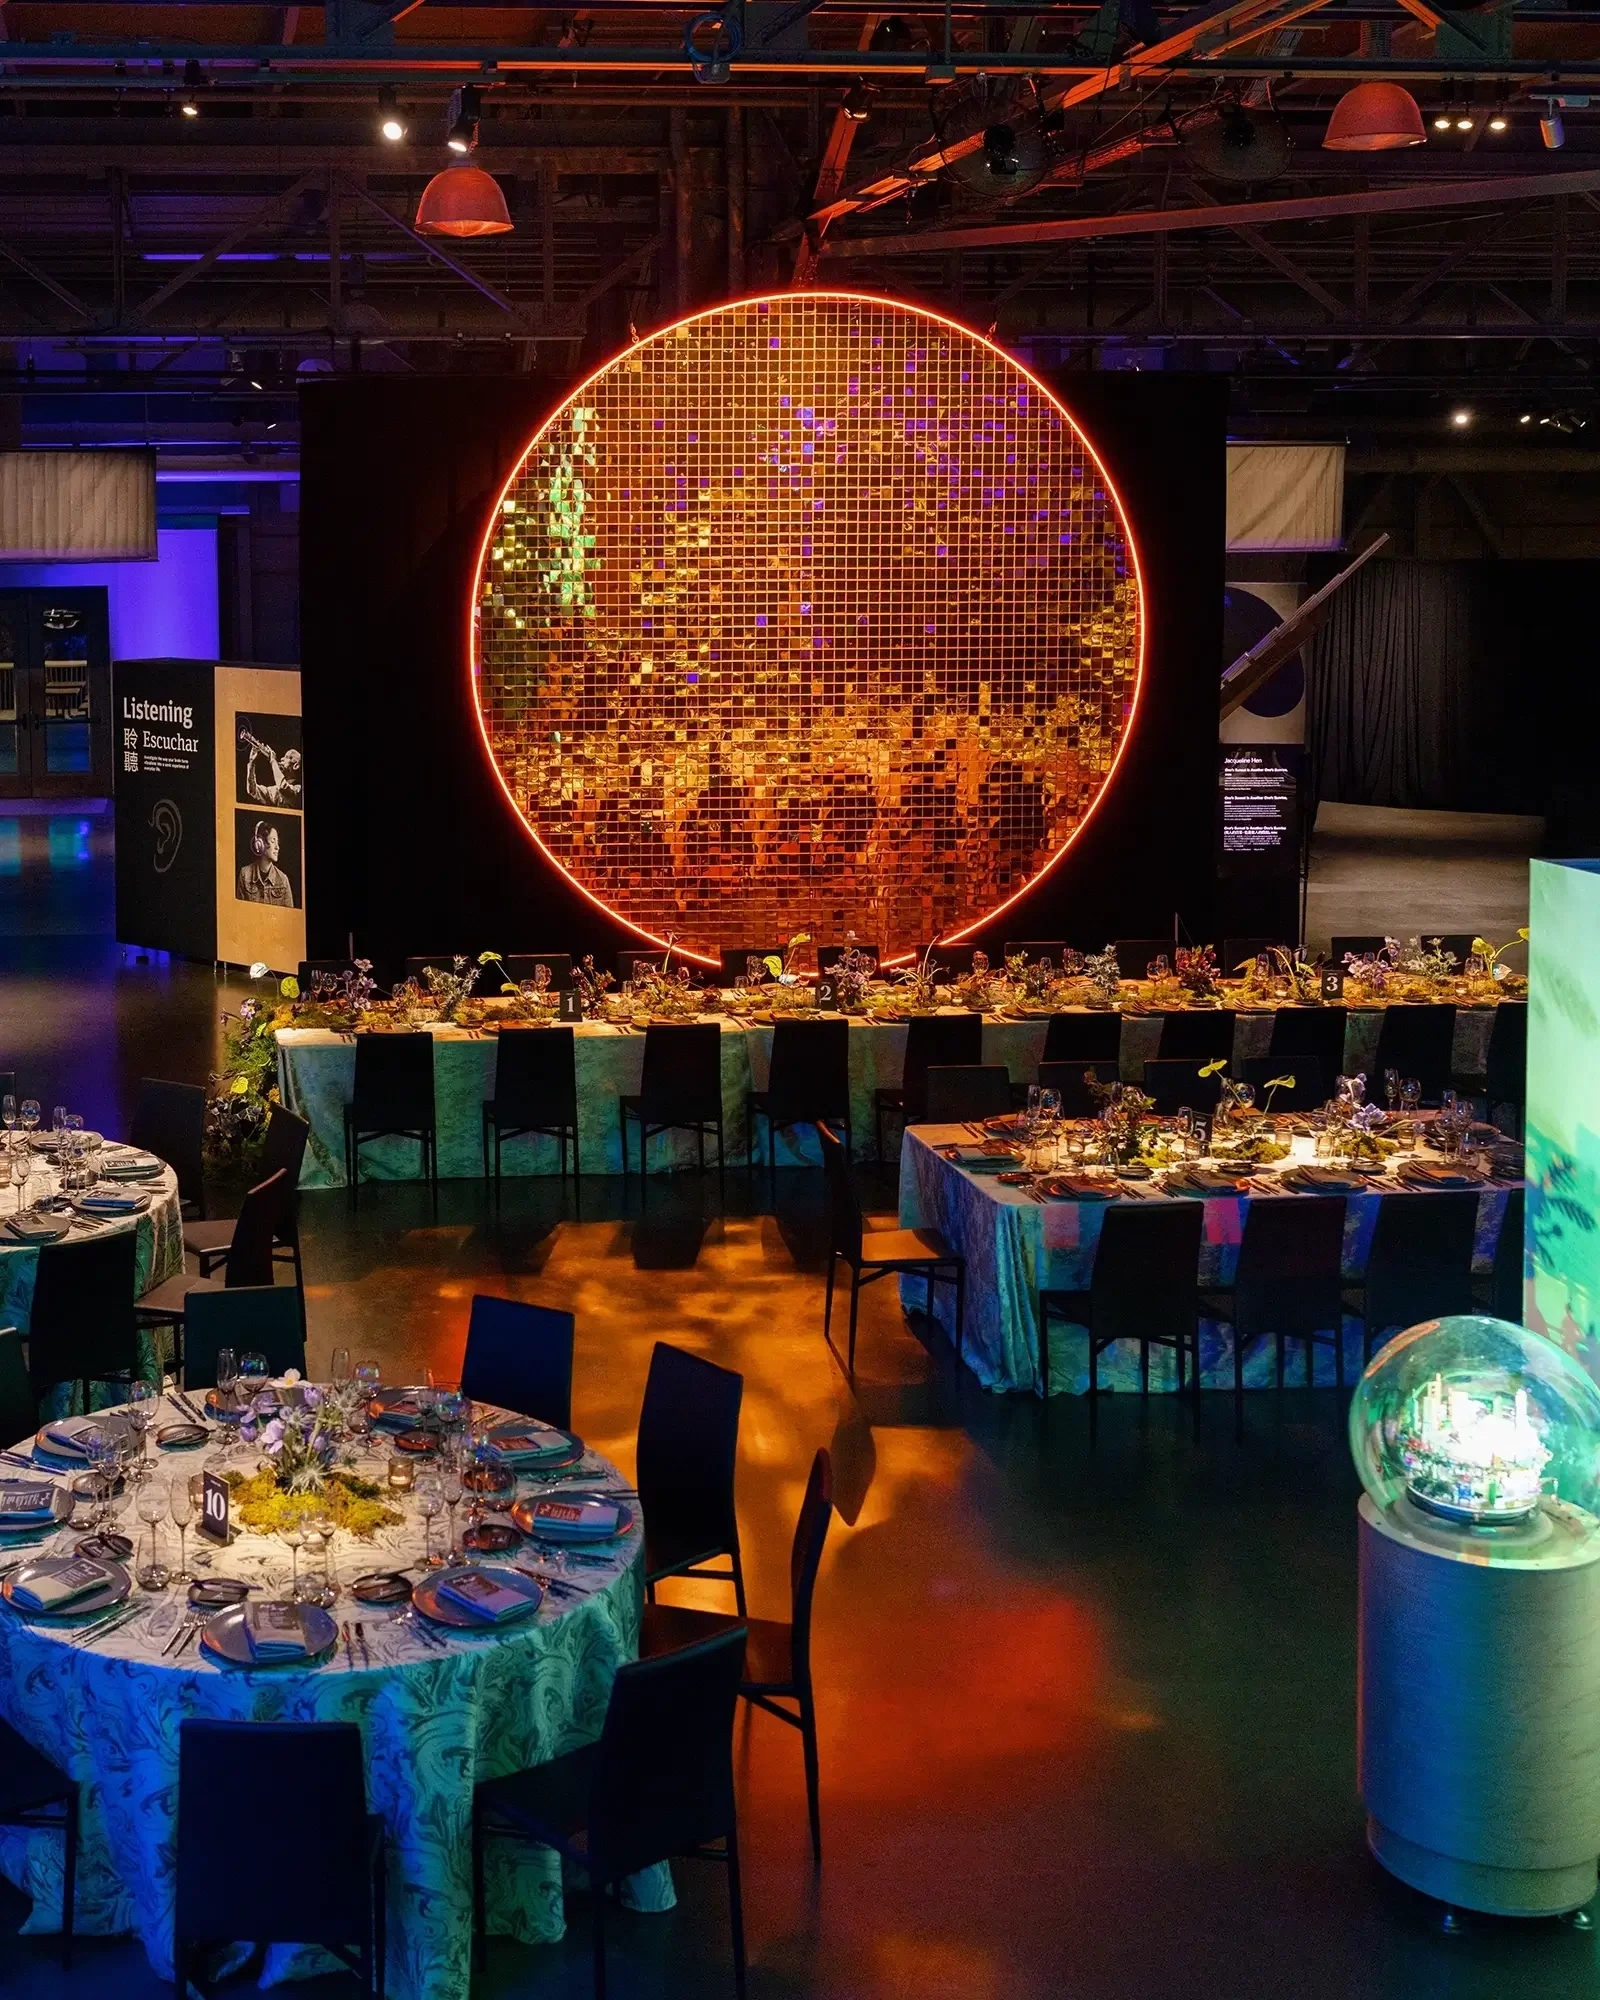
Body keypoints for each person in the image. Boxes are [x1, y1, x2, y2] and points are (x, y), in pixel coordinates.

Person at [237, 820, 294, 907]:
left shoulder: (283, 880)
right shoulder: (244, 874)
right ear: (260, 844)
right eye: (273, 841)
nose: (277, 847)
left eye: (277, 842)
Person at [244, 735, 302, 807]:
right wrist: (252, 763)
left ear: (296, 766)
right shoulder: (275, 790)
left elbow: (283, 787)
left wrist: (273, 761)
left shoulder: (299, 789)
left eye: (287, 757)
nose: (281, 759)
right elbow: (252, 791)